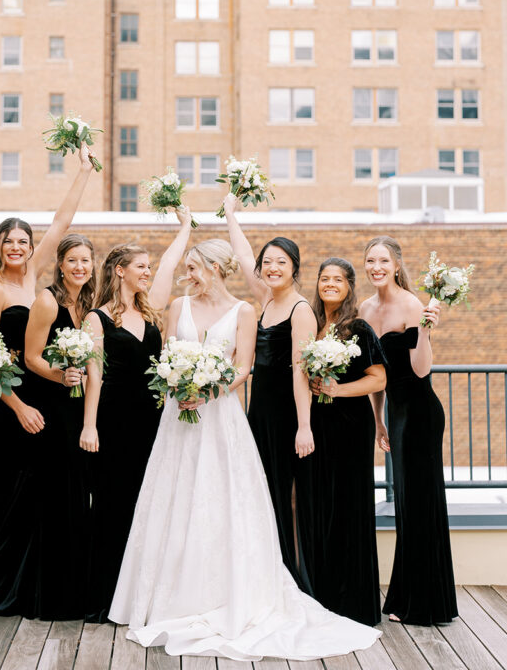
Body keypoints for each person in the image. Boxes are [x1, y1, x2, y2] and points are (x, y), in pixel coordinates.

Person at [109, 240, 380, 661]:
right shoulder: (177, 306)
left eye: (196, 267)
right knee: (173, 498)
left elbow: (243, 367)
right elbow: (166, 356)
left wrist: (208, 390)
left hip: (219, 417)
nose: (190, 274)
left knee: (220, 502)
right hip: (176, 420)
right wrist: (178, 384)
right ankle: (167, 594)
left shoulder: (245, 311)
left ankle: (226, 591)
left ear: (216, 268)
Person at [0, 145, 94, 609]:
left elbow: (62, 224)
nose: (18, 248)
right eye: (9, 242)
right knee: (7, 492)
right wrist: (18, 406)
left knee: (36, 494)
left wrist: (82, 171)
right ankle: (0, 587)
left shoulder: (34, 277)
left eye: (24, 241)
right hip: (2, 404)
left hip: (37, 398)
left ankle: (32, 585)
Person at [82, 209, 192, 622]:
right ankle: (103, 597)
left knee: (148, 506)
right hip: (111, 423)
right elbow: (93, 375)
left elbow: (167, 266)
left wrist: (184, 227)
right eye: (140, 267)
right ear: (121, 271)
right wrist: (89, 425)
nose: (148, 273)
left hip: (151, 422)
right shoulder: (97, 318)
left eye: (148, 267)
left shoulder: (149, 313)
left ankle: (140, 597)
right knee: (112, 506)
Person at [223, 193, 317, 593]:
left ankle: (287, 579)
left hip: (286, 418)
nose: (272, 267)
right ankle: (260, 572)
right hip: (257, 413)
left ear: (295, 268)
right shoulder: (264, 300)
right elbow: (244, 255)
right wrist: (230, 215)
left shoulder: (300, 310)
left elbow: (301, 374)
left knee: (281, 494)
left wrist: (304, 427)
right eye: (268, 262)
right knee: (256, 490)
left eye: (282, 261)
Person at [361, 235, 457, 625]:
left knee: (420, 504)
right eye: (370, 260)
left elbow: (419, 370)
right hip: (395, 414)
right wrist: (378, 421)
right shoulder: (365, 308)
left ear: (396, 265)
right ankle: (409, 596)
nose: (376, 267)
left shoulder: (413, 304)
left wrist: (426, 330)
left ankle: (424, 603)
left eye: (383, 260)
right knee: (406, 506)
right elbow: (376, 375)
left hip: (420, 413)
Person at [308, 257, 386, 627]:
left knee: (348, 506)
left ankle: (354, 601)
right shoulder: (312, 324)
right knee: (321, 504)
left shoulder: (358, 328)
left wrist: (339, 390)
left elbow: (379, 379)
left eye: (338, 279)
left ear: (349, 286)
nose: (330, 284)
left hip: (350, 426)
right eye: (325, 278)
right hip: (318, 425)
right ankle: (323, 593)